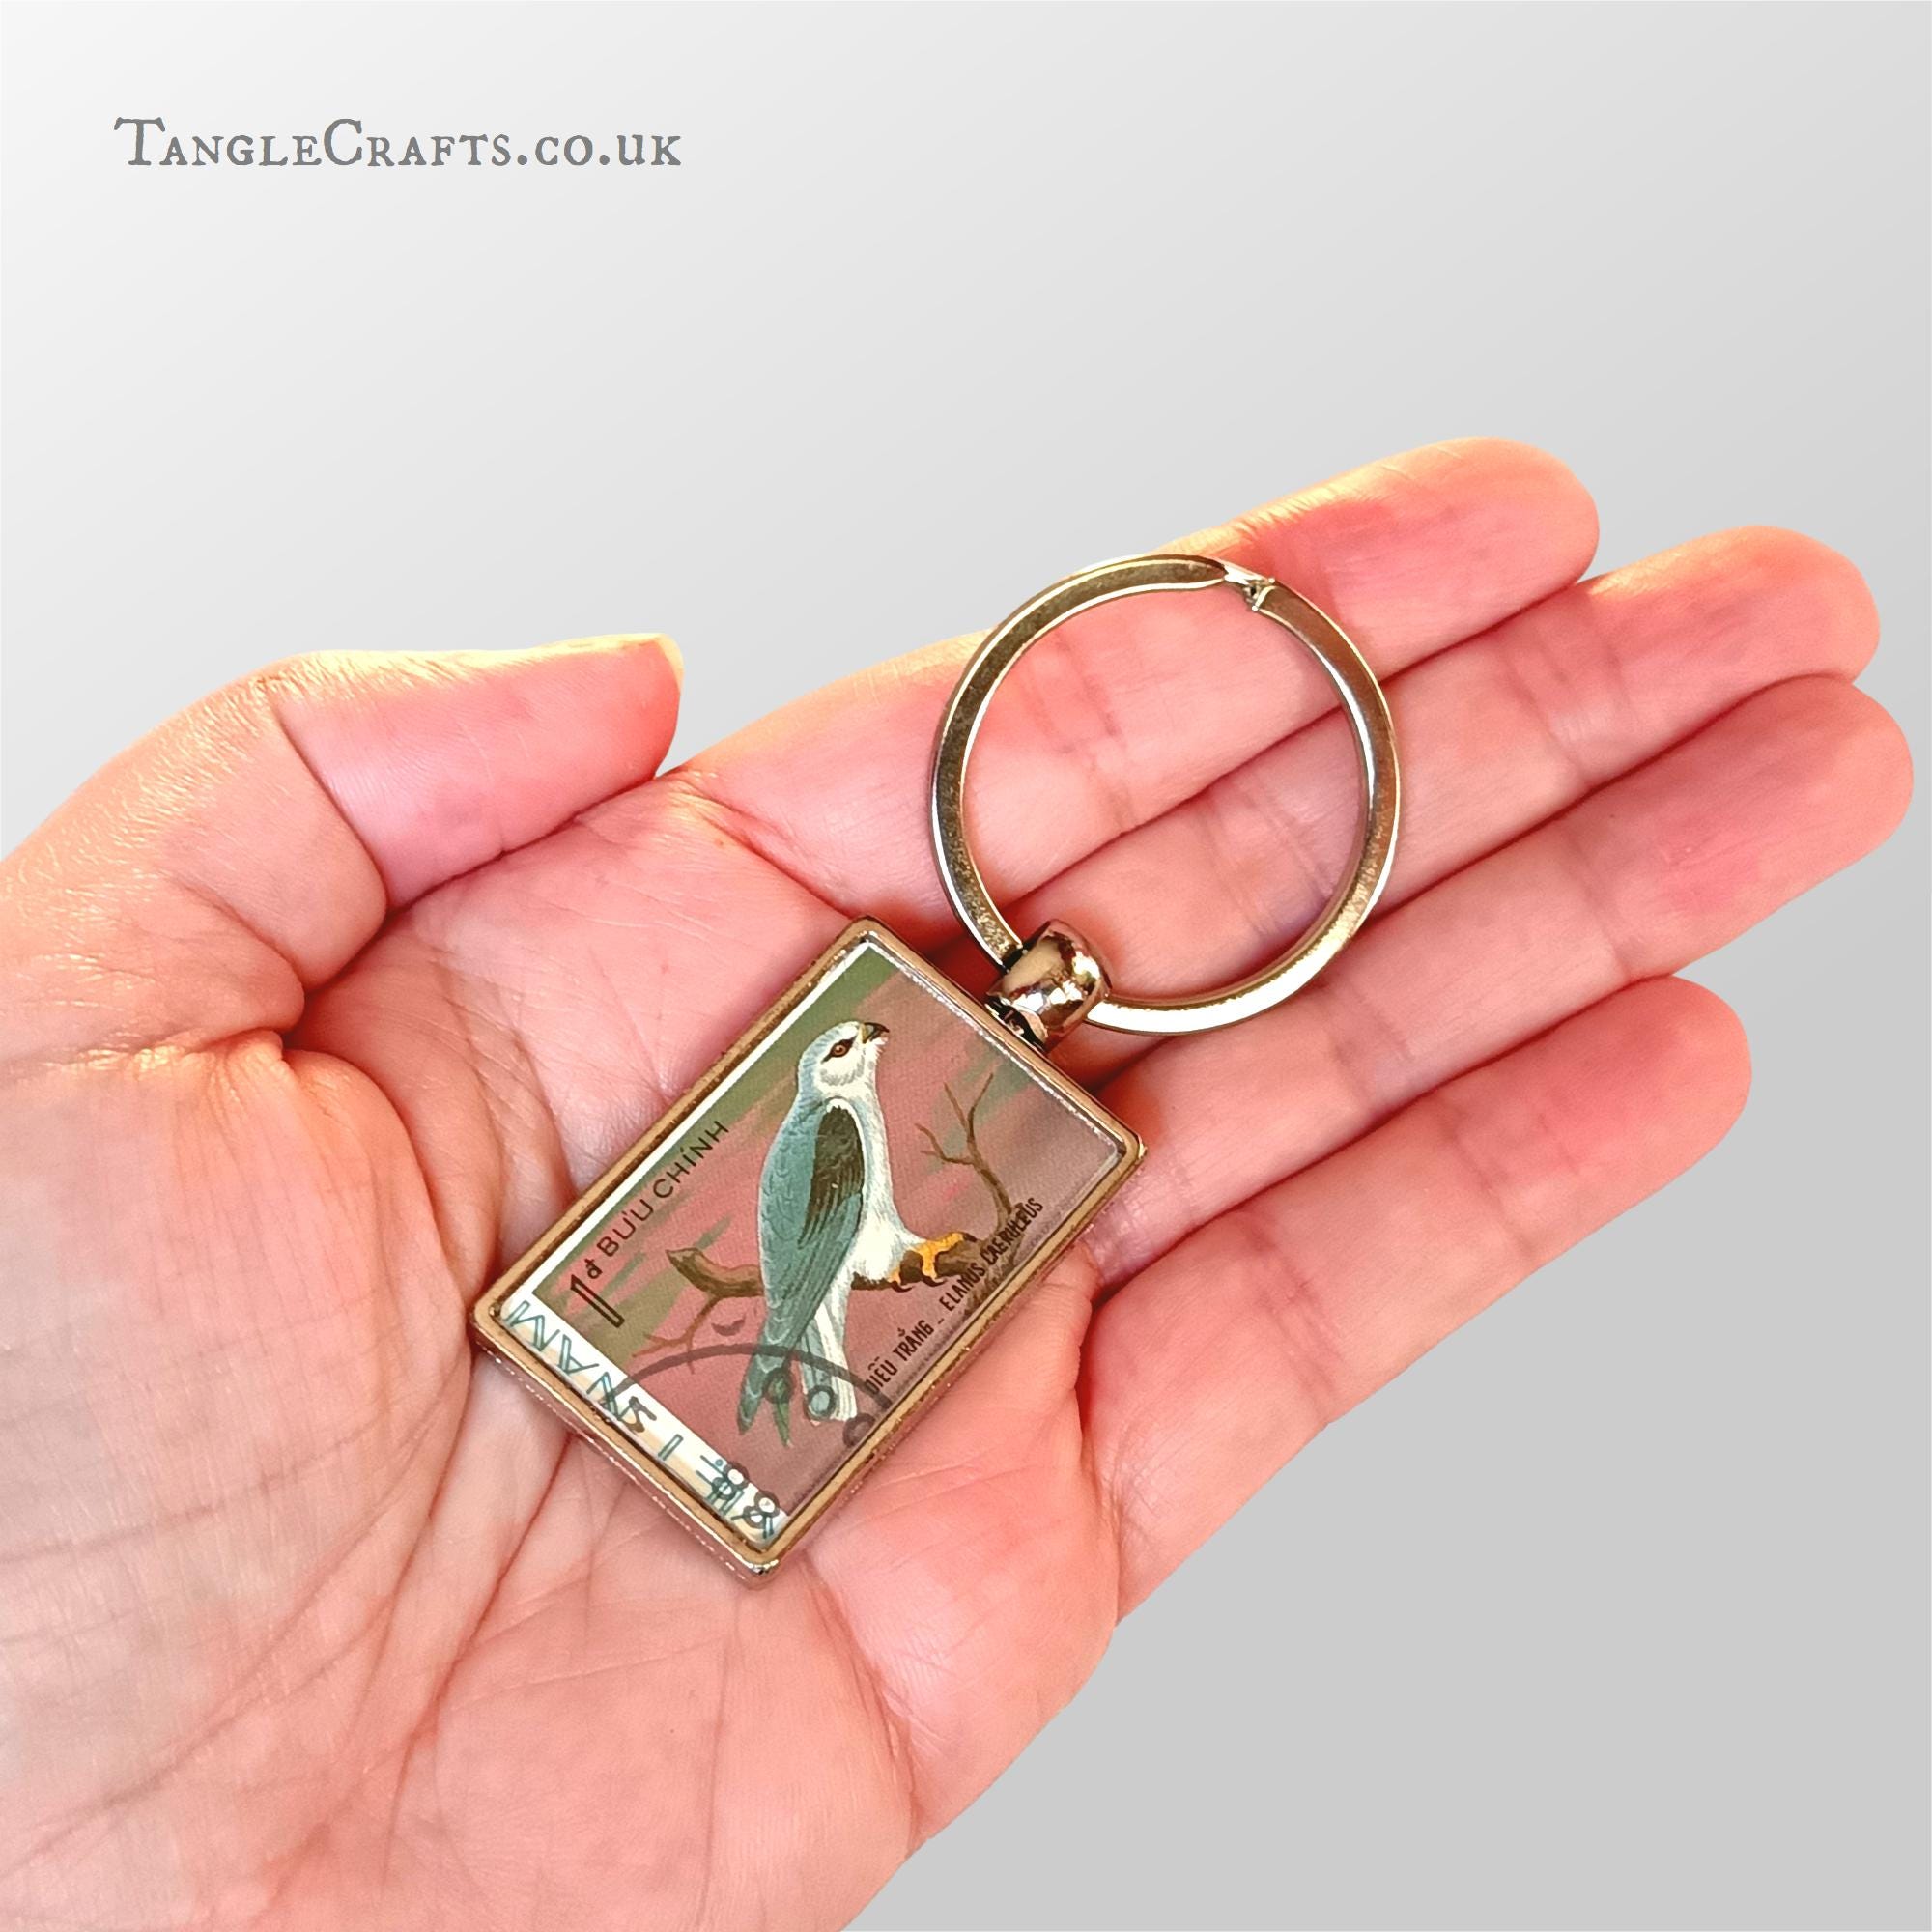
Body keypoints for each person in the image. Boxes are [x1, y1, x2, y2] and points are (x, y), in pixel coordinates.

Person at [0, 440, 1909, 1929]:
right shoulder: (834, 1110)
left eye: (841, 1069)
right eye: (847, 1068)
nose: (845, 1073)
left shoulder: (867, 1107)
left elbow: (833, 1240)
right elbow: (810, 1230)